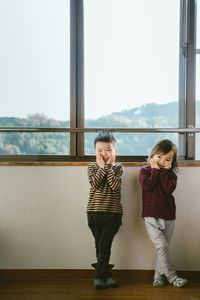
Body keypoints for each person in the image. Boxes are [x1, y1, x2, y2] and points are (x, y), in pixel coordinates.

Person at [139, 139, 187, 288]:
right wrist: (155, 171)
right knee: (163, 247)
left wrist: (164, 172)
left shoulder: (171, 175)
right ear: (153, 155)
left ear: (172, 162)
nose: (162, 161)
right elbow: (148, 186)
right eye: (159, 157)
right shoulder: (144, 171)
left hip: (169, 216)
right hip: (151, 216)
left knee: (163, 249)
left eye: (167, 159)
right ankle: (172, 277)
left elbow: (168, 189)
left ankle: (158, 277)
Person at [87, 130, 123, 289]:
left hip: (113, 214)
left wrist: (108, 166)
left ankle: (99, 275)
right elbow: (95, 184)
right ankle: (106, 275)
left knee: (105, 244)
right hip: (94, 213)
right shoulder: (92, 167)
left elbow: (115, 187)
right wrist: (101, 168)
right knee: (99, 244)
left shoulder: (118, 168)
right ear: (95, 152)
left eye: (108, 150)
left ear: (115, 151)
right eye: (99, 151)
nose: (104, 154)